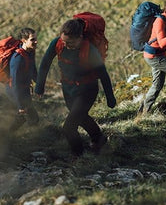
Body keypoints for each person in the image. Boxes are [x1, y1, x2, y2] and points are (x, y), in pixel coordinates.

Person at [35, 18, 117, 157]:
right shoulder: (57, 43)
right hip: (68, 89)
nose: (66, 45)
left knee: (68, 127)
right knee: (81, 117)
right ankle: (99, 139)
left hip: (87, 90)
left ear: (80, 37)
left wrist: (110, 97)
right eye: (64, 41)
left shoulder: (90, 50)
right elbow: (45, 64)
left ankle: (78, 154)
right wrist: (39, 87)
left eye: (70, 42)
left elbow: (103, 74)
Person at [6, 27, 40, 126]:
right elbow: (14, 84)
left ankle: (12, 135)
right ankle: (5, 136)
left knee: (32, 118)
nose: (36, 42)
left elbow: (33, 70)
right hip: (14, 92)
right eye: (32, 39)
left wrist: (39, 86)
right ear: (23, 40)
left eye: (36, 38)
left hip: (24, 91)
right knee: (26, 117)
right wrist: (20, 105)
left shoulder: (30, 52)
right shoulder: (18, 59)